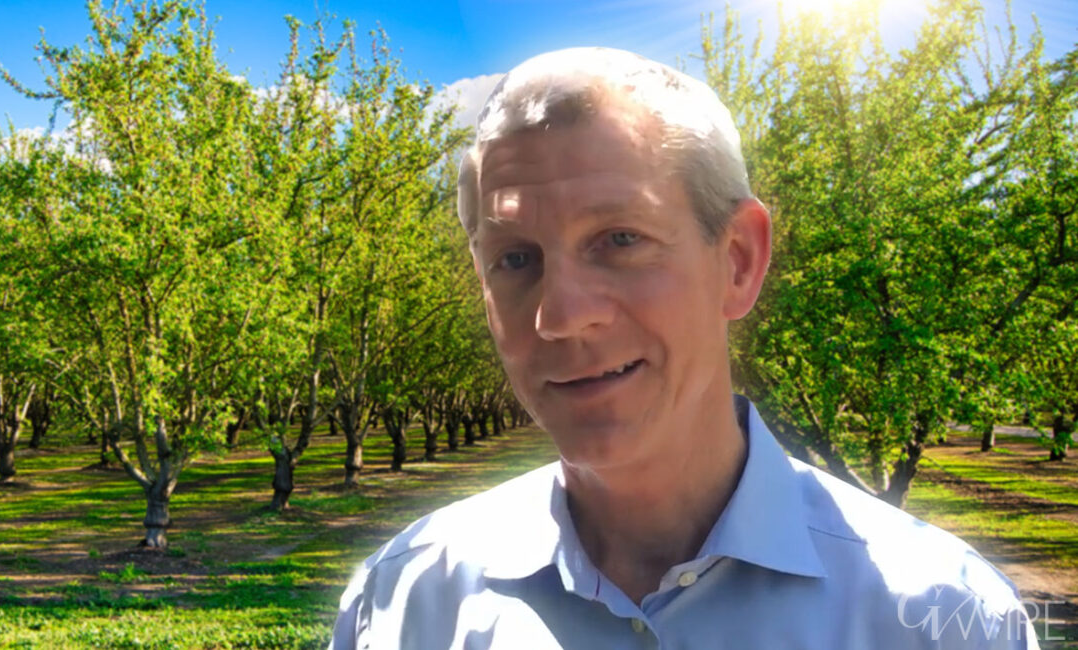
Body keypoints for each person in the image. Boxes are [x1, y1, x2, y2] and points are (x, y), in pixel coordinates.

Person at [328, 47, 1039, 649]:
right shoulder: (403, 605)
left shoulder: (943, 622)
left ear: (736, 260)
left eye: (620, 240)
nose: (560, 316)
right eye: (515, 259)